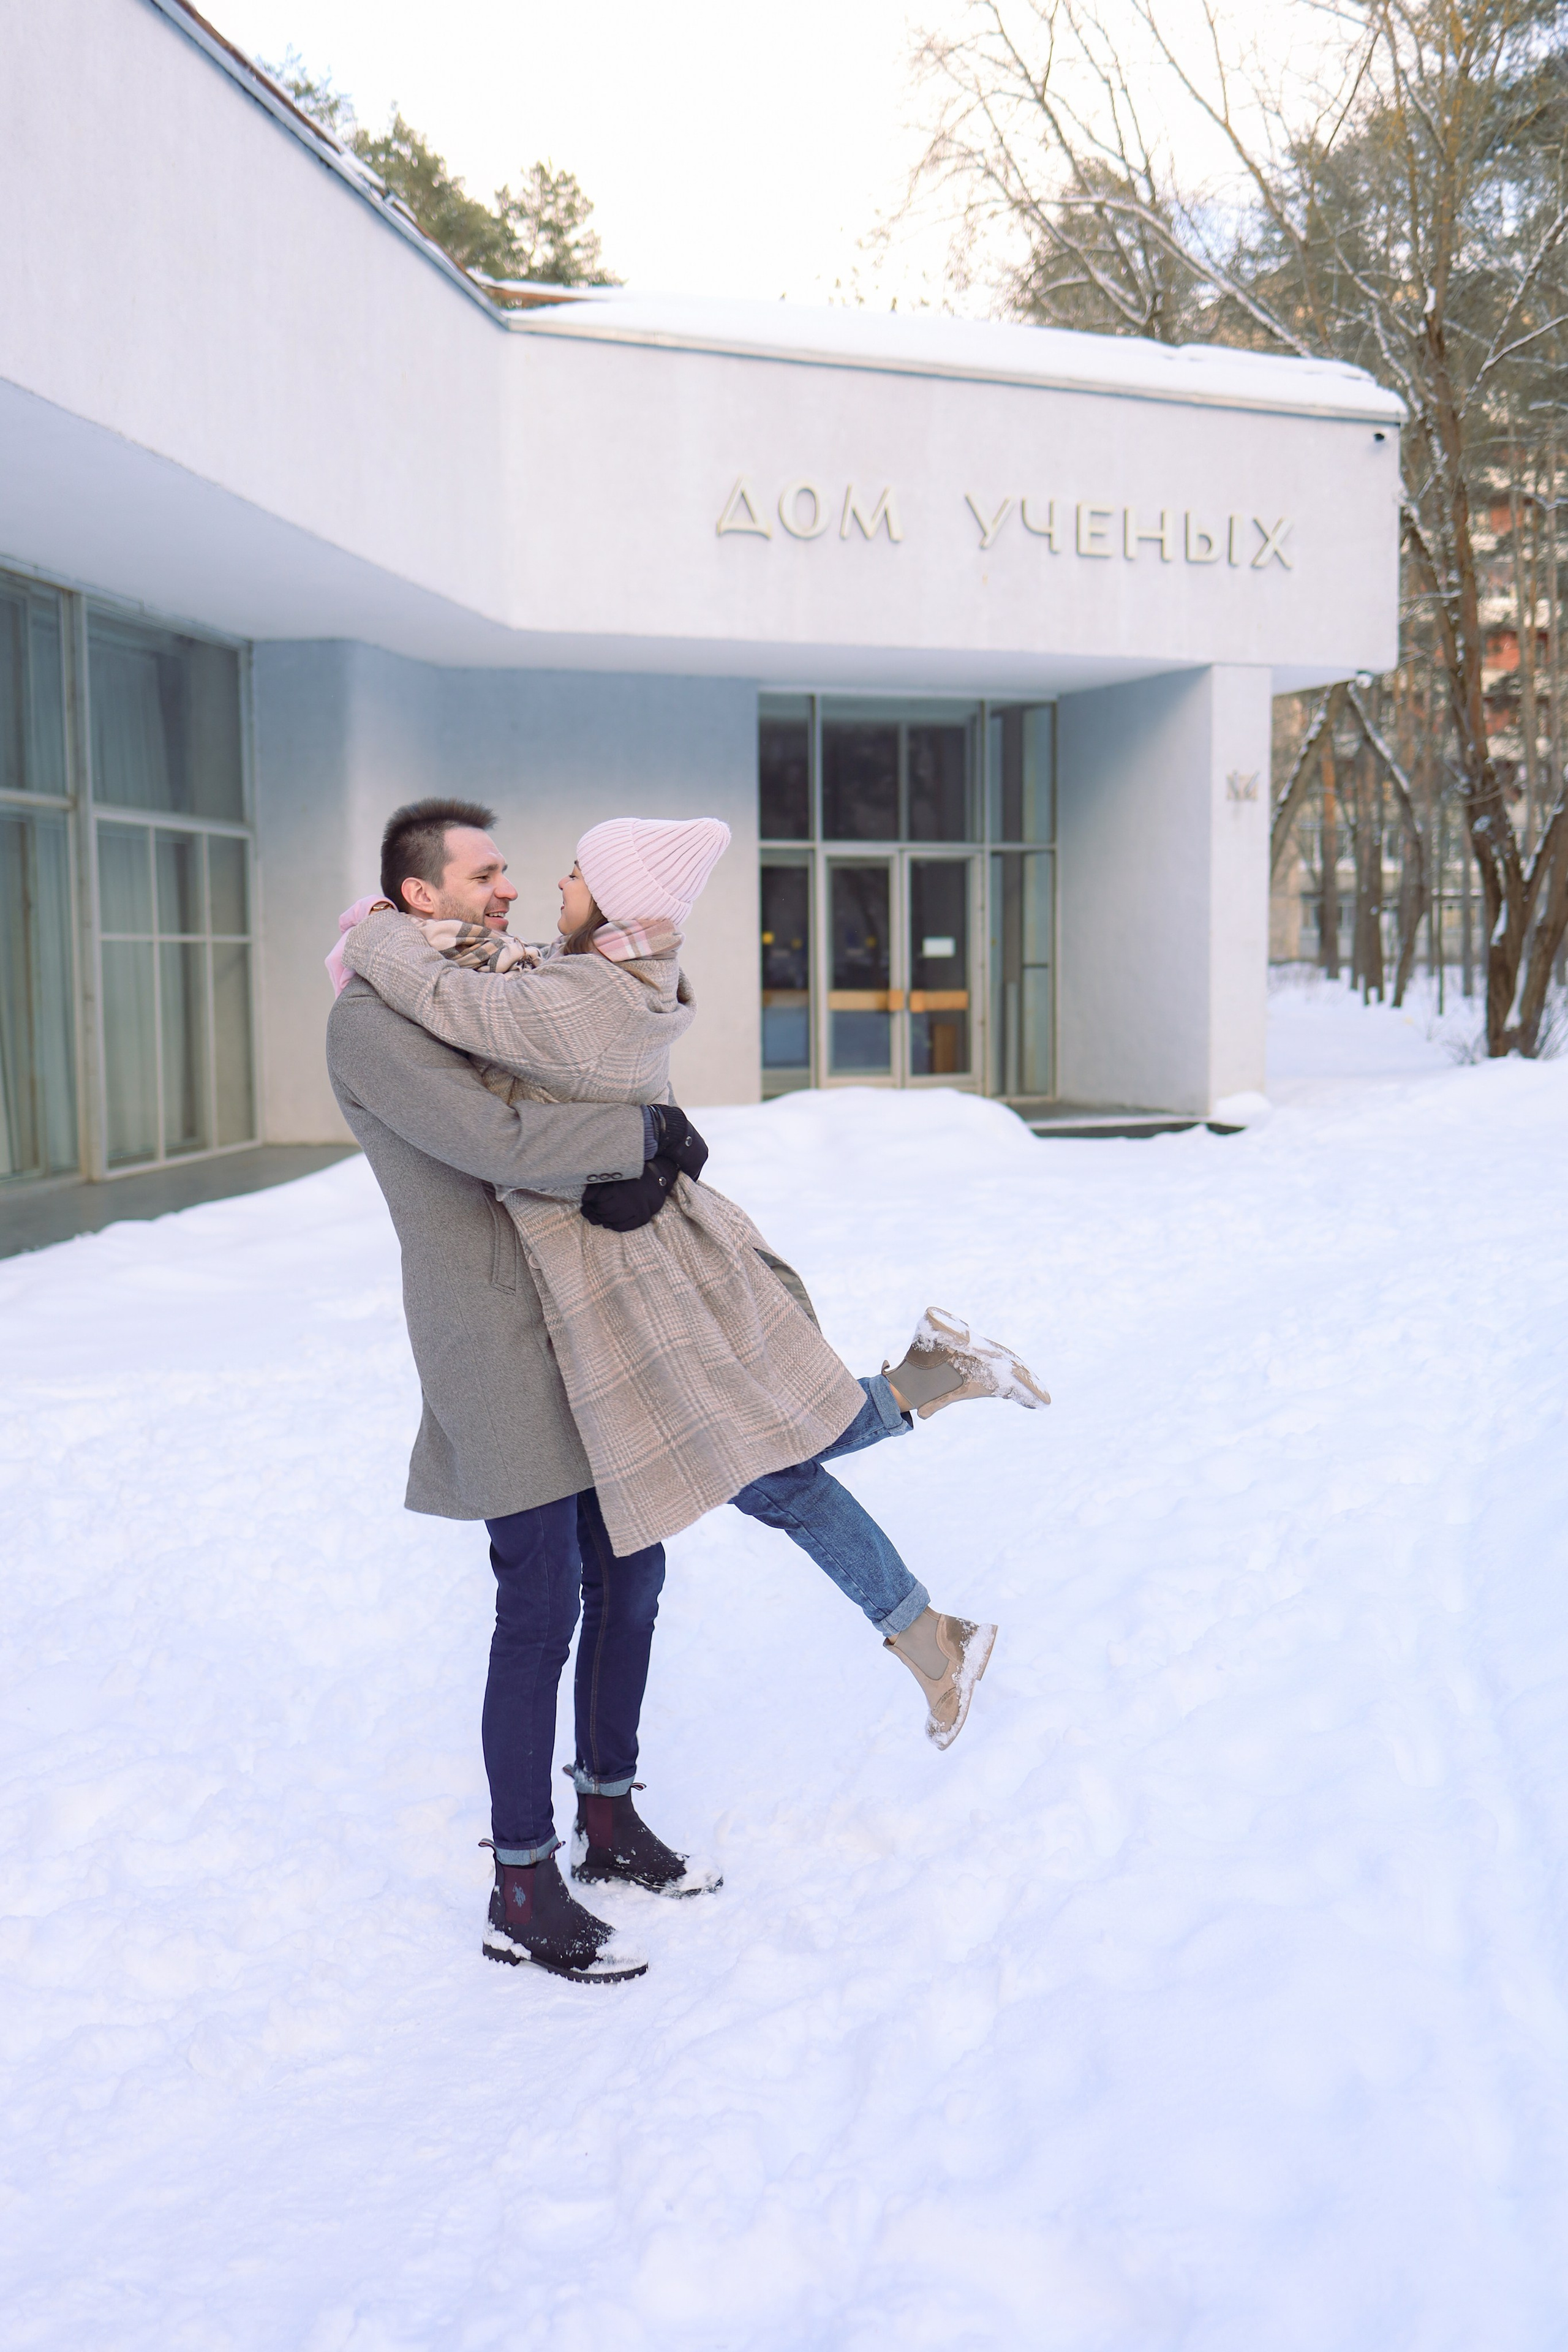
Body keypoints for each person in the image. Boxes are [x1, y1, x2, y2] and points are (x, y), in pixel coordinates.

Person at [329, 798, 1047, 1986]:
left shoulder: (483, 976)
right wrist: (642, 1137)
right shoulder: (371, 1019)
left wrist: (650, 1120)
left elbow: (576, 1057)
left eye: (514, 872)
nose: (508, 890)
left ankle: (606, 1820)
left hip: (588, 1318)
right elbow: (502, 1141)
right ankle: (521, 1878)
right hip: (502, 1341)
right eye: (485, 874)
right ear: (418, 896)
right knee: (538, 1606)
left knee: (633, 1574)